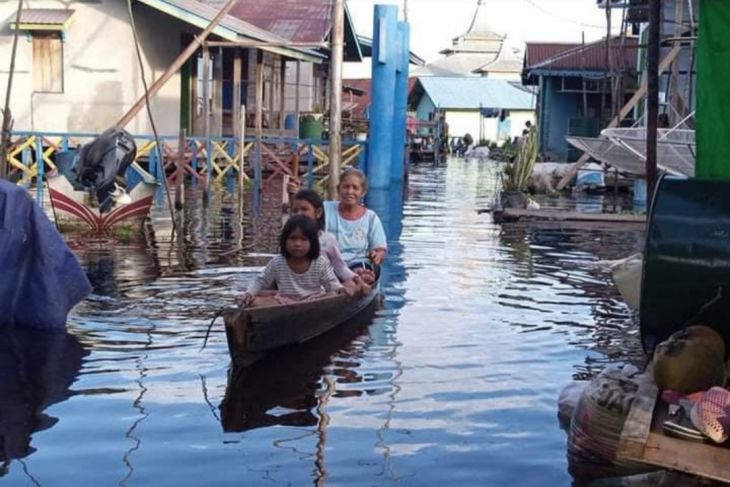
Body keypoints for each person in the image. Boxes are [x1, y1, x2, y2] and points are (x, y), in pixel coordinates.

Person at [288, 168, 387, 283]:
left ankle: (357, 276)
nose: (350, 191)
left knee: (363, 270)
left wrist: (377, 255)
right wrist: (294, 195)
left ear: (363, 192)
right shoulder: (325, 208)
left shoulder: (371, 218)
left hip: (358, 262)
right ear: (338, 189)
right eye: (345, 187)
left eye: (355, 188)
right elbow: (301, 219)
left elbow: (380, 249)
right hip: (326, 262)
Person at [242, 215, 354, 307]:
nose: (297, 244)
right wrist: (249, 293)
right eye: (293, 238)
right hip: (284, 302)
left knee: (332, 295)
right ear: (285, 240)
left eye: (303, 239)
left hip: (314, 301)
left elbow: (331, 284)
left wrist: (340, 289)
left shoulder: (319, 262)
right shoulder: (278, 262)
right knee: (254, 302)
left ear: (312, 242)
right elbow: (261, 280)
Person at [291, 189, 371, 296]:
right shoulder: (289, 239)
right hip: (294, 288)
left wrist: (359, 281)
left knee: (350, 285)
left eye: (304, 209)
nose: (299, 214)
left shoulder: (327, 240)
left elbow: (340, 268)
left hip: (323, 290)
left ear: (318, 213)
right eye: (295, 211)